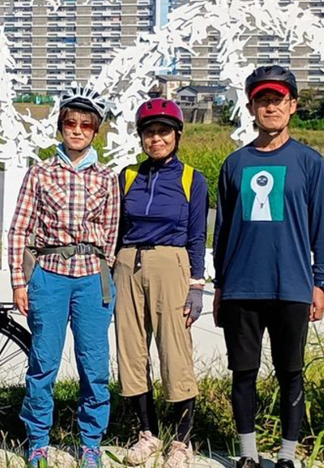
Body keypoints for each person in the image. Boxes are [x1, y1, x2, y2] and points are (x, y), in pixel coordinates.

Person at [212, 65, 324, 468]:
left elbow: (320, 227)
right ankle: (247, 453)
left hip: (292, 285)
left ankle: (286, 455)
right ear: (250, 108)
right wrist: (220, 285)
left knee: (290, 373)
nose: (270, 107)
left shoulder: (309, 162)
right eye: (262, 100)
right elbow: (222, 230)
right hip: (241, 286)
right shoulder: (235, 163)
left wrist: (320, 282)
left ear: (292, 105)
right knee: (243, 372)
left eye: (278, 99)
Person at [7, 85, 121, 468]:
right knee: (43, 364)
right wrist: (19, 282)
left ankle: (91, 442)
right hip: (49, 277)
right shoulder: (40, 173)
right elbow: (20, 230)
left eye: (86, 125)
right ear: (60, 126)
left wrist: (106, 277)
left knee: (95, 366)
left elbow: (111, 234)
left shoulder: (107, 178)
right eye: (71, 123)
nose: (77, 131)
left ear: (95, 131)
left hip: (92, 279)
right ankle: (38, 440)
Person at [115, 99, 208, 468]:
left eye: (163, 132)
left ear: (177, 136)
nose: (156, 138)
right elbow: (116, 227)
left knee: (174, 350)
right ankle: (147, 433)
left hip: (171, 261)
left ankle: (182, 439)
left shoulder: (191, 179)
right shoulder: (127, 176)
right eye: (149, 132)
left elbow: (197, 235)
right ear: (141, 137)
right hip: (128, 262)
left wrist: (196, 285)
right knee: (131, 350)